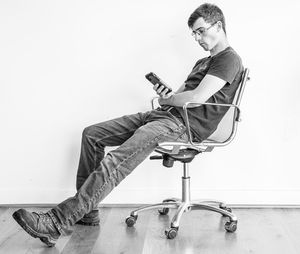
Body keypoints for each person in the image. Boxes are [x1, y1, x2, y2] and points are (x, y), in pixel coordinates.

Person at [12, 3, 243, 247]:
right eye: (194, 34)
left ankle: (57, 221)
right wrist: (167, 96)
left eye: (200, 31)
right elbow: (182, 95)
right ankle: (87, 212)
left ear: (218, 25)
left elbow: (195, 99)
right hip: (166, 116)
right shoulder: (202, 62)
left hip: (184, 126)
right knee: (92, 135)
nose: (197, 38)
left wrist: (171, 99)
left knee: (117, 160)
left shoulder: (229, 59)